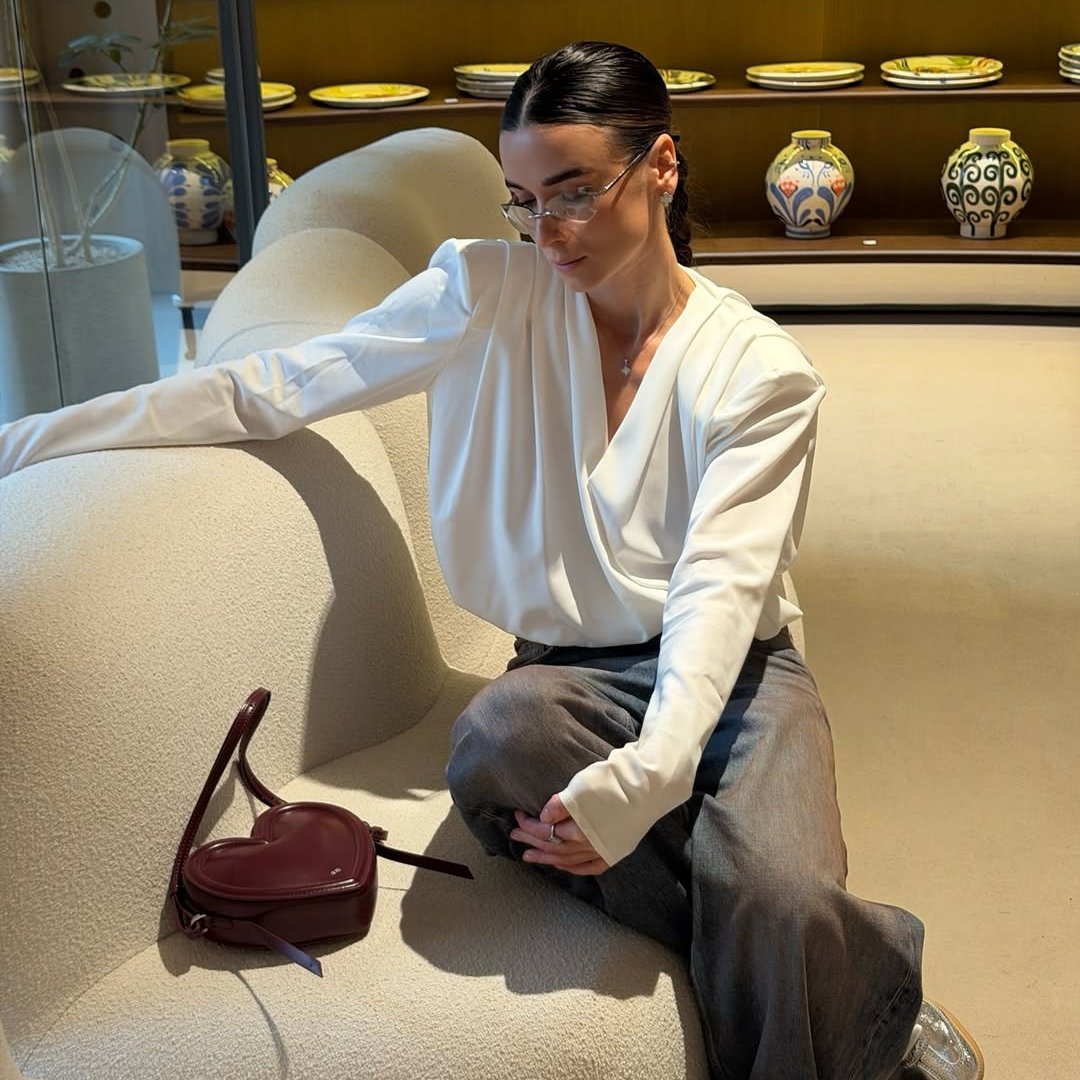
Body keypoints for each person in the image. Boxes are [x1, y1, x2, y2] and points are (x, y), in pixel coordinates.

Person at [0, 39, 982, 1080]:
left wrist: (651, 777)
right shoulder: (483, 292)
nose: (546, 232)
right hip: (565, 679)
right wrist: (31, 438)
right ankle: (840, 971)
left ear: (661, 165)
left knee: (777, 893)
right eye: (523, 200)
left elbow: (718, 589)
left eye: (575, 193)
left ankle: (831, 968)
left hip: (740, 672)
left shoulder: (759, 374)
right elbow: (274, 384)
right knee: (499, 738)